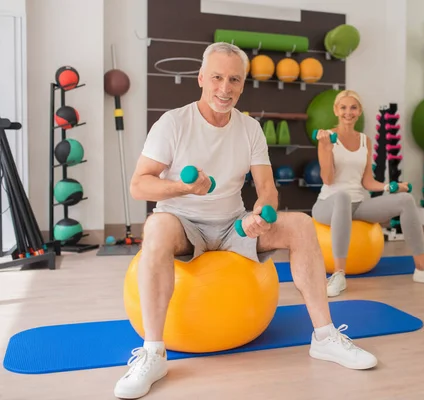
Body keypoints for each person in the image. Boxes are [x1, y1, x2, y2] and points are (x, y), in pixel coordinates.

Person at [113, 44, 377, 399]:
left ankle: (326, 337)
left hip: (232, 225)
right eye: (218, 78)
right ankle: (153, 353)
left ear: (243, 83)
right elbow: (139, 184)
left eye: (234, 79)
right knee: (156, 225)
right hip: (182, 220)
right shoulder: (173, 123)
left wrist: (260, 215)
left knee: (299, 224)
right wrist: (182, 187)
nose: (225, 88)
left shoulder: (250, 128)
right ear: (201, 79)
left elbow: (267, 188)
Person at [312, 90, 424, 298]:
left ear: (359, 111)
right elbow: (328, 180)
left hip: (358, 204)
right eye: (343, 107)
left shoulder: (364, 141)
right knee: (343, 196)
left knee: (406, 200)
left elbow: (367, 181)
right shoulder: (326, 138)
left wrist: (391, 187)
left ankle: (423, 269)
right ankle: (338, 275)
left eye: (353, 107)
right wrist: (326, 149)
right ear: (336, 110)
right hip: (328, 204)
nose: (348, 112)